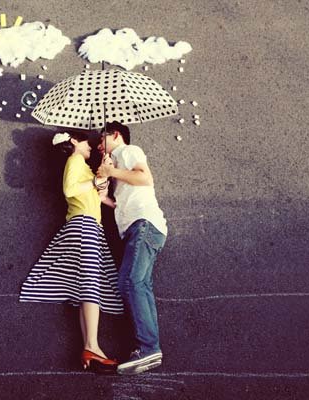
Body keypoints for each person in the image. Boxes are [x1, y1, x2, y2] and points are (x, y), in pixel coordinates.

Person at [19, 130, 124, 374]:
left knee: (86, 286)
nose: (91, 148)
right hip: (85, 224)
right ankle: (92, 345)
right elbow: (70, 189)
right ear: (75, 142)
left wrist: (103, 174)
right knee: (90, 285)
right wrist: (94, 181)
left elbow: (95, 195)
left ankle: (90, 346)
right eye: (88, 144)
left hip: (89, 225)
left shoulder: (83, 165)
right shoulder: (75, 160)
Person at [96, 121, 168, 375]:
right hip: (142, 228)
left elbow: (144, 177)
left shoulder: (127, 151)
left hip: (144, 225)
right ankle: (151, 348)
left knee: (129, 282)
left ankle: (147, 347)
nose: (98, 143)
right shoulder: (118, 162)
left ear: (116, 135)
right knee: (140, 285)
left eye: (101, 138)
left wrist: (112, 171)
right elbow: (128, 199)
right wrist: (106, 199)